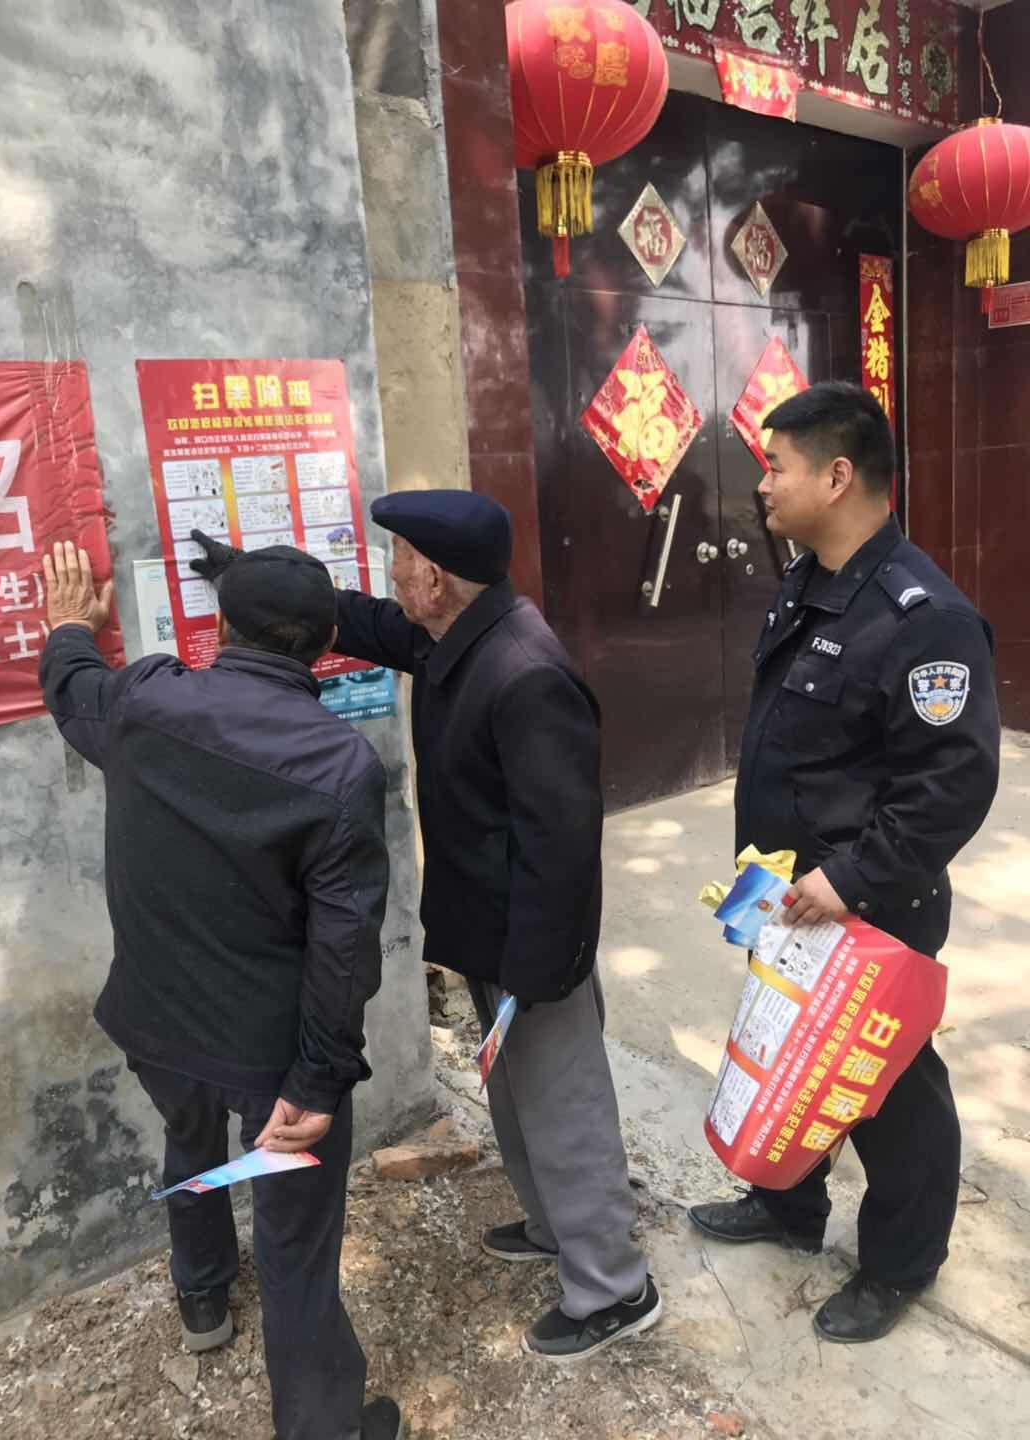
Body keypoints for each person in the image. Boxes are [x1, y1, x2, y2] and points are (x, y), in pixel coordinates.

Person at [192, 491, 661, 1364]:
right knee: (516, 1097)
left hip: (535, 950)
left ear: (435, 578)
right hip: (494, 933)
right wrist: (244, 578)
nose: (393, 571)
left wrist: (539, 972)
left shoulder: (524, 672)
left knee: (566, 1109)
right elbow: (363, 622)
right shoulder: (452, 634)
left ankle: (615, 1287)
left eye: (402, 557)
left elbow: (564, 844)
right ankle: (555, 1228)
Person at [39, 540, 400, 1440]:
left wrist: (68, 627)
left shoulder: (147, 701)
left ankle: (202, 1297)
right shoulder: (339, 766)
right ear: (326, 644)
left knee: (189, 1146)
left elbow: (73, 692)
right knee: (295, 1241)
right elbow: (343, 948)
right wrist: (320, 1079)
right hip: (271, 1057)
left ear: (219, 627)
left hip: (156, 1022)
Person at [688, 383, 1001, 1343]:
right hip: (788, 891)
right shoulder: (811, 580)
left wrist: (852, 879)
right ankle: (788, 1205)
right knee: (789, 1051)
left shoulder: (924, 618)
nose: (762, 484)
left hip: (867, 901)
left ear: (836, 475)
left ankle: (900, 1264)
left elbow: (951, 784)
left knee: (888, 1088)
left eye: (775, 466)